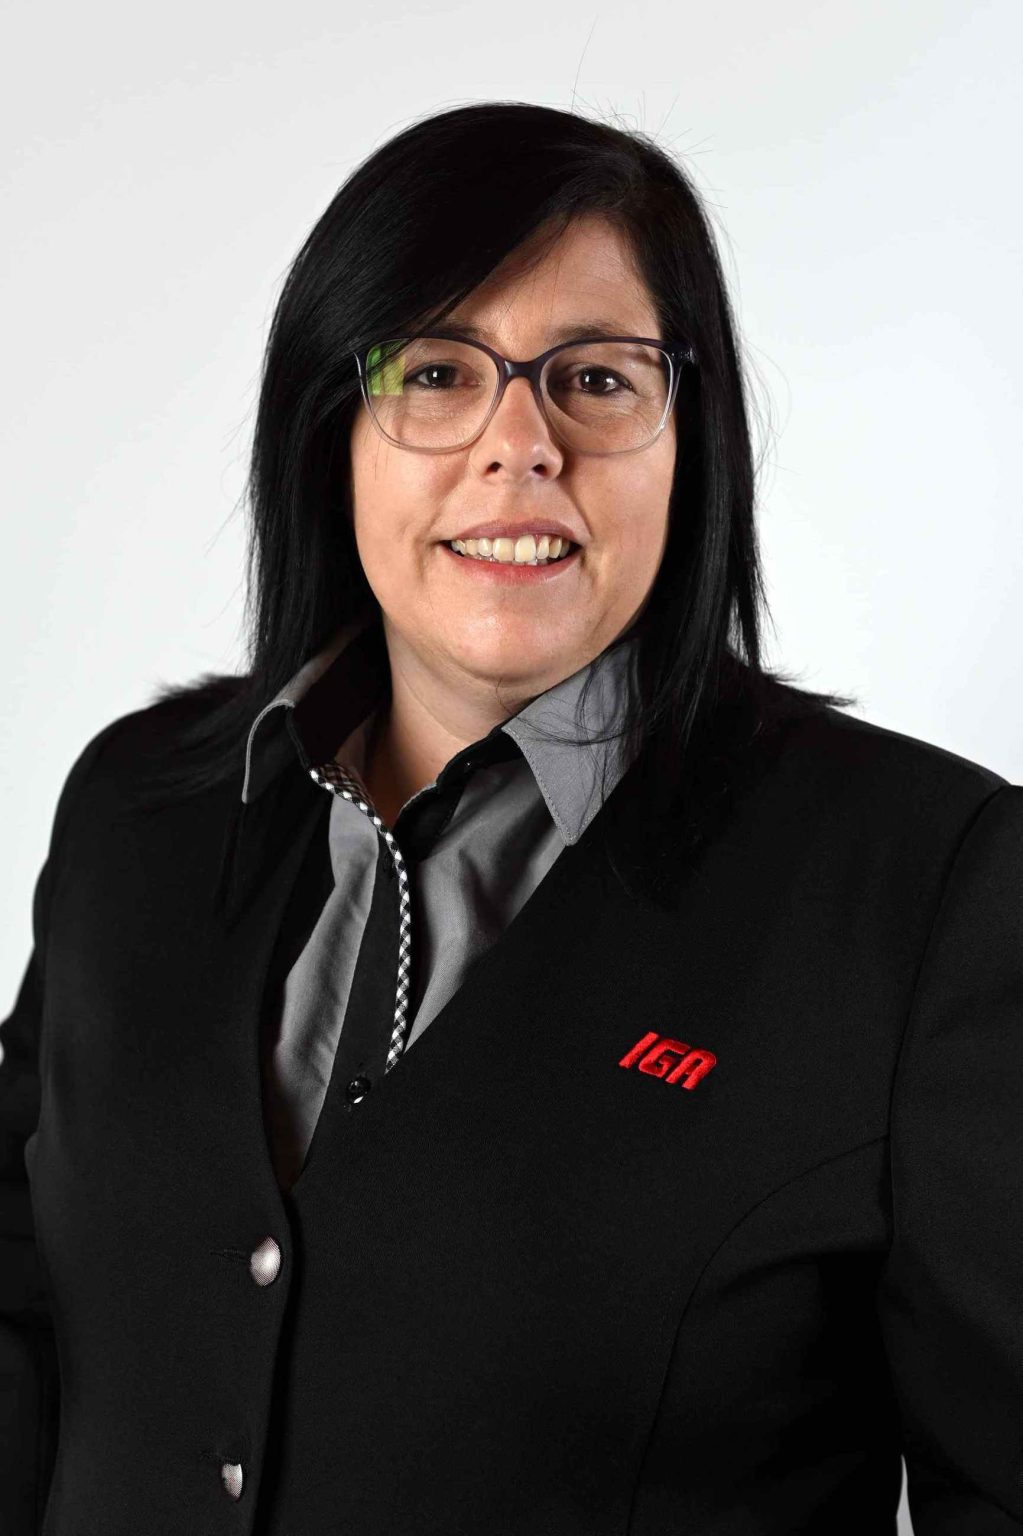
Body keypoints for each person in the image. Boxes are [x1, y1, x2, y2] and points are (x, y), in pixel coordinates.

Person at [1, 99, 1019, 1536]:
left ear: (693, 435)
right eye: (435, 372)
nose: (518, 445)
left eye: (595, 379)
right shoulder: (136, 808)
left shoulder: (932, 890)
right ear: (332, 428)